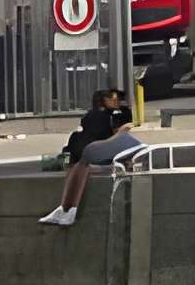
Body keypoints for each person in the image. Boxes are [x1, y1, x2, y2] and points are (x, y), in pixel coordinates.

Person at [38, 85, 146, 226]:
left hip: (100, 151)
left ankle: (68, 209)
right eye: (112, 98)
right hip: (85, 152)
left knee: (77, 160)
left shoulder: (114, 115)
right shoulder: (98, 117)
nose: (116, 101)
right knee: (74, 160)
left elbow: (120, 133)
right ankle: (65, 209)